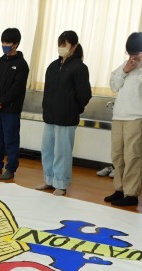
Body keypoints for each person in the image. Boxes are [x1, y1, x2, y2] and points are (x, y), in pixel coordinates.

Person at [105, 32, 142, 207]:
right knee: (117, 155)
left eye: (135, 54)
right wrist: (125, 71)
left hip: (138, 117)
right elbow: (114, 86)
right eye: (129, 53)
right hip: (119, 115)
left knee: (133, 156)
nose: (132, 57)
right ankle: (119, 189)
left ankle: (131, 194)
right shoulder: (126, 64)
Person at [36, 31, 92, 196]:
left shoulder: (80, 68)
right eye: (59, 44)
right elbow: (48, 91)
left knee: (62, 152)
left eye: (64, 44)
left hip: (67, 118)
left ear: (74, 46)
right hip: (50, 116)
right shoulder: (53, 66)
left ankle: (61, 183)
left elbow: (85, 95)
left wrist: (74, 108)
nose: (61, 48)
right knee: (47, 150)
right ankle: (49, 179)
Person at [0, 28, 29, 180]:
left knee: (11, 139)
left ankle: (10, 168)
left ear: (16, 44)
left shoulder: (21, 65)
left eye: (7, 42)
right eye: (3, 42)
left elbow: (16, 89)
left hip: (11, 110)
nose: (4, 45)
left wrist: (0, 102)